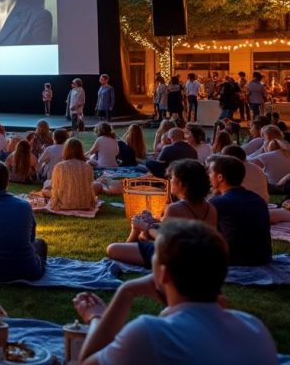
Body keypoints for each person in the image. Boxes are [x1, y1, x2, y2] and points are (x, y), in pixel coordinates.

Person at [74, 219, 278, 365]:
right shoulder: (255, 328)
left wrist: (102, 312)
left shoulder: (149, 333)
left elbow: (86, 361)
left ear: (163, 275)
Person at [107, 159, 216, 268]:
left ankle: (134, 233)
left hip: (174, 257)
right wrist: (155, 221)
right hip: (199, 257)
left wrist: (146, 227)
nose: (170, 180)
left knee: (112, 248)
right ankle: (135, 232)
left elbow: (166, 240)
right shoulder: (210, 208)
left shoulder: (175, 208)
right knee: (141, 228)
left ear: (182, 184)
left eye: (172, 178)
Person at [208, 154, 272, 266]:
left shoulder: (217, 203)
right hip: (263, 257)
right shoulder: (257, 198)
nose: (208, 175)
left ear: (220, 177)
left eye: (210, 172)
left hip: (236, 260)